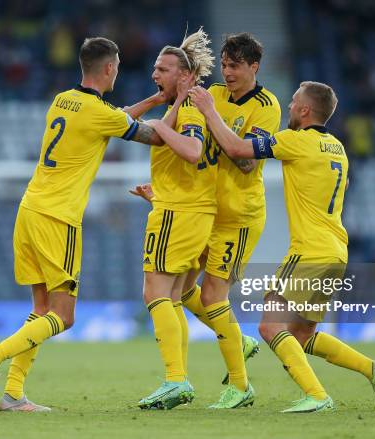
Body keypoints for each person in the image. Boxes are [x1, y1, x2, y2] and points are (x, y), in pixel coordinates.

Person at [0, 37, 164, 412]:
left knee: (41, 309)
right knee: (63, 315)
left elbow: (113, 117)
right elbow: (154, 137)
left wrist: (153, 101)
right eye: (117, 66)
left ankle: (13, 394)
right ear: (109, 68)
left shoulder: (62, 100)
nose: (118, 71)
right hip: (58, 218)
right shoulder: (99, 112)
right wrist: (178, 105)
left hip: (30, 209)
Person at [189, 81, 375, 413]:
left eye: (293, 102)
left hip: (309, 249)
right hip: (336, 250)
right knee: (300, 335)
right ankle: (374, 370)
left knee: (269, 327)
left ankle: (316, 394)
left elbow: (240, 149)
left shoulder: (296, 141)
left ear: (305, 110)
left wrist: (210, 111)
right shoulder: (337, 147)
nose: (287, 107)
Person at [131, 33, 281, 409]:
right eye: (225, 65)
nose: (228, 73)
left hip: (239, 217)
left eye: (235, 66)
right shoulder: (210, 93)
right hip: (206, 210)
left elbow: (244, 159)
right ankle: (230, 338)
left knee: (210, 295)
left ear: (254, 68)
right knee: (180, 292)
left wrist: (207, 113)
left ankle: (239, 385)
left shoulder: (267, 106)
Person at [135, 28, 217, 410]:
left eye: (163, 69)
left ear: (184, 76)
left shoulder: (185, 110)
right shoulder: (184, 105)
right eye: (154, 68)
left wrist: (160, 126)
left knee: (155, 294)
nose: (155, 74)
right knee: (172, 298)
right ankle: (178, 378)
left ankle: (175, 379)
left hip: (179, 213)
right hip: (188, 210)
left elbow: (194, 151)